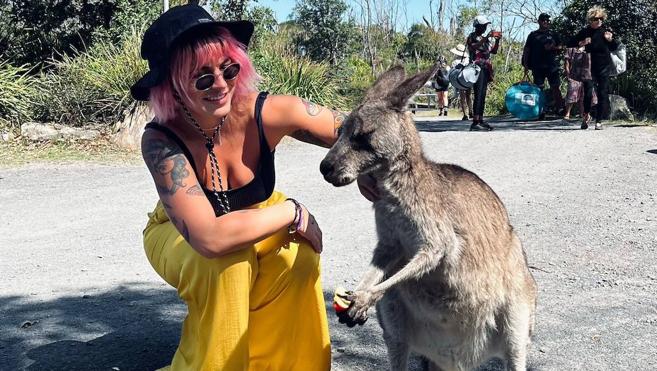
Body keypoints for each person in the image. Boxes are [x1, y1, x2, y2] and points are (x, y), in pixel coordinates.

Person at [131, 4, 352, 370]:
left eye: (229, 69)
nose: (220, 85)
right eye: (202, 77)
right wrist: (293, 212)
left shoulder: (265, 111)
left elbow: (360, 133)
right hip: (179, 231)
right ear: (171, 83)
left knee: (297, 254)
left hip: (254, 216)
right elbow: (210, 238)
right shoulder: (160, 139)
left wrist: (371, 171)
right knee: (228, 261)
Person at [568, 5, 619, 130]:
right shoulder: (585, 32)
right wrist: (582, 43)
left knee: (602, 93)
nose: (599, 21)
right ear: (591, 19)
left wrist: (610, 39)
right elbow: (569, 42)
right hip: (588, 66)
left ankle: (599, 121)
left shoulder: (606, 30)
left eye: (601, 18)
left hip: (604, 66)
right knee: (588, 93)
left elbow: (614, 47)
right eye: (597, 18)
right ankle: (585, 117)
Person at [522, 13, 565, 118]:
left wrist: (553, 47)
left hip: (552, 66)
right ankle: (540, 111)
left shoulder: (554, 34)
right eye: (543, 20)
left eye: (547, 20)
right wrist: (526, 64)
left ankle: (560, 109)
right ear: (539, 21)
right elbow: (527, 50)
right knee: (538, 89)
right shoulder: (533, 35)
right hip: (537, 66)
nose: (546, 22)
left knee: (555, 87)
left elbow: (561, 46)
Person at [466, 15, 501, 131]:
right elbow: (474, 47)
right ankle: (475, 121)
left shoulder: (485, 39)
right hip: (476, 68)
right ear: (477, 26)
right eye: (483, 26)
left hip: (485, 68)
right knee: (478, 93)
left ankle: (480, 119)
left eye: (486, 26)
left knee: (483, 94)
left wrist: (497, 40)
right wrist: (486, 38)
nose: (485, 28)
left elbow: (494, 51)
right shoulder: (472, 36)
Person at [563, 46, 597, 120]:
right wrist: (568, 74)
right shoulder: (571, 48)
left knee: (585, 94)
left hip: (587, 74)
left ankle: (584, 114)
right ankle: (567, 113)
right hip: (574, 75)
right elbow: (566, 62)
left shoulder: (590, 47)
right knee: (571, 93)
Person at [449, 43, 473, 121]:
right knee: (469, 96)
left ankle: (465, 114)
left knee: (462, 97)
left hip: (459, 81)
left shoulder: (455, 62)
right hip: (468, 79)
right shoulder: (469, 59)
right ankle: (471, 112)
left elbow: (452, 73)